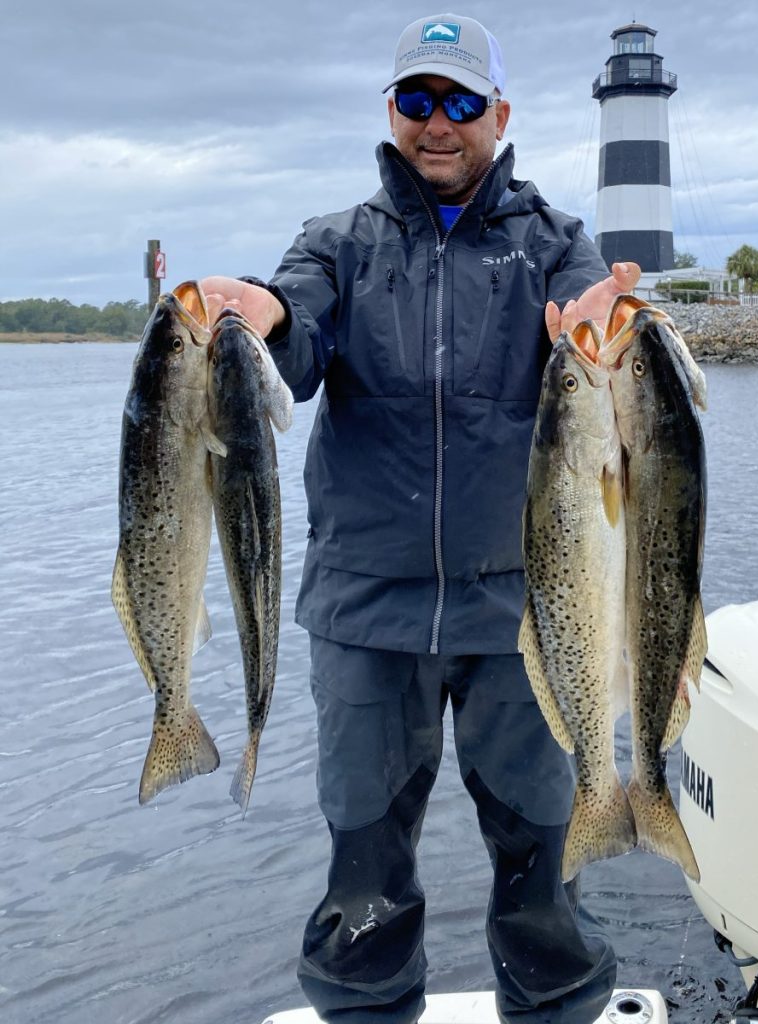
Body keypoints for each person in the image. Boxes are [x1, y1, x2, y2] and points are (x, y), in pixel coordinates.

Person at [203, 13, 641, 1024]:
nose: (435, 125)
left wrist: (604, 329)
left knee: (544, 877)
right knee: (365, 882)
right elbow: (294, 332)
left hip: (521, 618)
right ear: (390, 113)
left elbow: (594, 321)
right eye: (415, 101)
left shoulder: (553, 244)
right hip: (364, 617)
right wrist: (264, 318)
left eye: (456, 103)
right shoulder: (337, 244)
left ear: (498, 113)